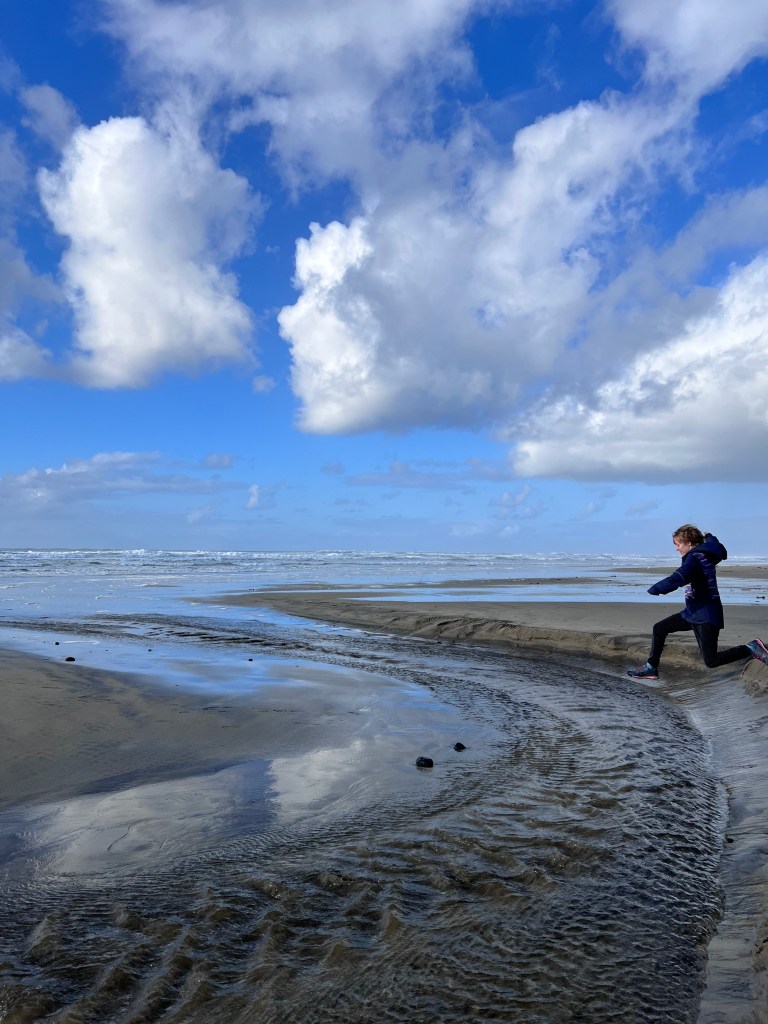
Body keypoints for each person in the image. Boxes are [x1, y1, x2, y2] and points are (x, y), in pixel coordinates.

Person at [627, 524, 768, 680]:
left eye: (678, 544)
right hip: (692, 613)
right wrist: (709, 536)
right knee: (659, 628)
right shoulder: (706, 553)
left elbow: (680, 577)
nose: (677, 548)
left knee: (711, 661)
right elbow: (716, 546)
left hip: (706, 616)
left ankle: (750, 648)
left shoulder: (694, 559)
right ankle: (651, 667)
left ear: (689, 543)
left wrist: (657, 588)